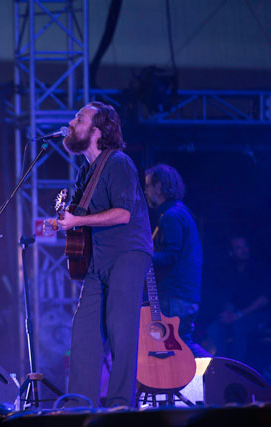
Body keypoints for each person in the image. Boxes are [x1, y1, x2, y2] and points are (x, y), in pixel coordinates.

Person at [46, 101, 153, 408]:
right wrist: (65, 222)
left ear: (96, 131)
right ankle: (78, 407)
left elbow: (123, 214)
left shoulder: (119, 162)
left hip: (127, 253)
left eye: (78, 118)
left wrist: (77, 221)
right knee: (84, 333)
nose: (71, 123)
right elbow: (82, 218)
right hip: (98, 258)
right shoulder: (86, 171)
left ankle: (121, 406)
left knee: (121, 330)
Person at [143, 164, 210, 357]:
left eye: (148, 185)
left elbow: (171, 256)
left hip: (175, 296)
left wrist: (143, 254)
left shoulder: (172, 216)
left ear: (159, 187)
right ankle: (214, 370)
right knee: (177, 345)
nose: (146, 191)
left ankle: (216, 370)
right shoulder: (178, 213)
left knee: (176, 345)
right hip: (182, 295)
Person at [207, 235, 269, 369]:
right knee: (215, 328)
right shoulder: (230, 271)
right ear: (231, 252)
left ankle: (237, 370)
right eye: (238, 248)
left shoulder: (259, 269)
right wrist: (228, 313)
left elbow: (264, 299)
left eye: (245, 246)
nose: (244, 250)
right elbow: (227, 297)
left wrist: (238, 315)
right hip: (237, 315)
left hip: (260, 315)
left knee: (238, 327)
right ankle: (220, 368)